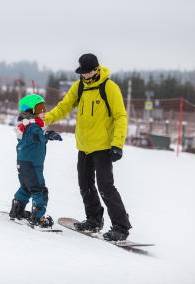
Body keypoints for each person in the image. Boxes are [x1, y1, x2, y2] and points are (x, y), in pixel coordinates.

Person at [45, 53, 132, 241]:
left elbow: (120, 117)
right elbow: (64, 106)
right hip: (84, 146)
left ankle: (121, 227)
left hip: (103, 147)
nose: (83, 75)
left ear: (95, 69)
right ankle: (93, 219)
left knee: (105, 187)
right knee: (85, 184)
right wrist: (45, 119)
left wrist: (117, 144)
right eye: (81, 72)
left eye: (86, 72)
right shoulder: (80, 87)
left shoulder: (109, 88)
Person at [9, 94, 62, 228]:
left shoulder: (25, 126)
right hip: (32, 166)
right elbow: (38, 135)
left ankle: (17, 208)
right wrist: (48, 134)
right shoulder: (32, 127)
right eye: (40, 109)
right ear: (30, 111)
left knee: (26, 188)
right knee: (39, 190)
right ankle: (38, 217)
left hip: (23, 165)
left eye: (44, 108)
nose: (44, 111)